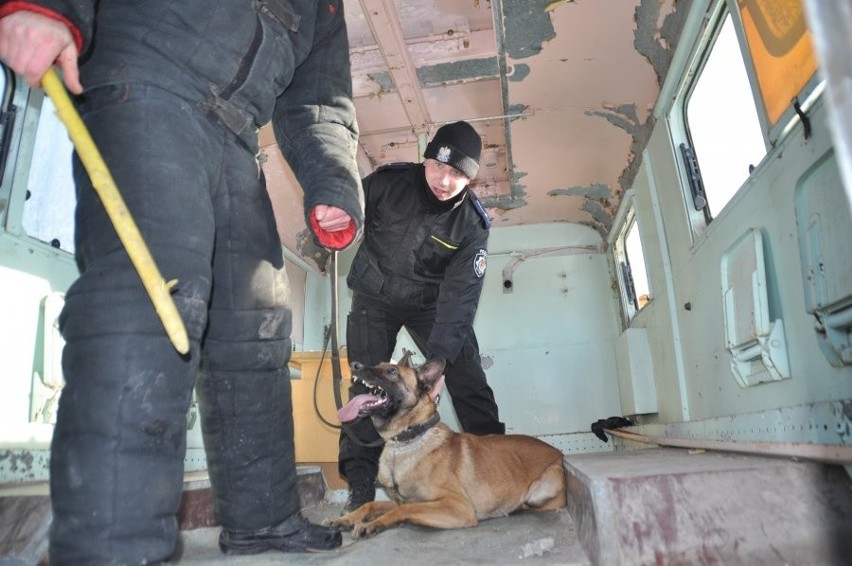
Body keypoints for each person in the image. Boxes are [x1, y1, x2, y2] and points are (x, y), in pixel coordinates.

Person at [0, 1, 364, 563]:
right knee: (148, 307)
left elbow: (320, 98)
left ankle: (263, 521)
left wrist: (334, 184)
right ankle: (115, 550)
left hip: (237, 139)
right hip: (148, 84)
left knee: (257, 329)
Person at [339, 120, 505, 511]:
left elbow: (461, 297)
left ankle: (499, 467)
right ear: (426, 159)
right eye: (437, 167)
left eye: (457, 174)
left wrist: (442, 360)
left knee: (469, 380)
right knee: (366, 388)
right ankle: (360, 484)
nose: (443, 180)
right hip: (374, 298)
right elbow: (347, 210)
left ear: (470, 179)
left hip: (432, 307)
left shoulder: (472, 225)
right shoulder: (387, 183)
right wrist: (336, 221)